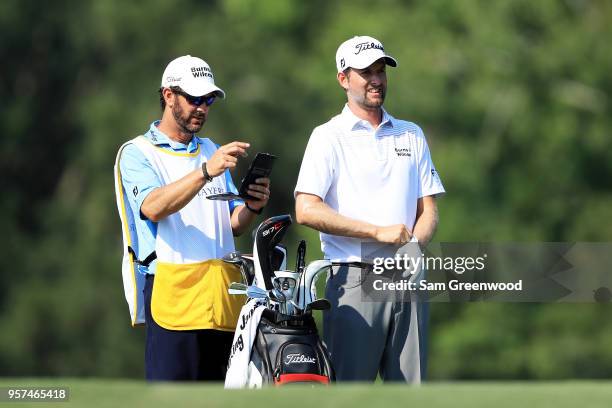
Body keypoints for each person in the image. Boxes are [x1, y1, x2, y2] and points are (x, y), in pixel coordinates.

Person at [294, 36, 445, 382]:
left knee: (410, 393)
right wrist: (376, 231)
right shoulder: (327, 136)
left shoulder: (411, 135)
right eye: (366, 73)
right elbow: (306, 209)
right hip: (353, 277)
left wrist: (413, 244)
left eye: (381, 71)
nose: (377, 80)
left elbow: (429, 209)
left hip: (407, 277)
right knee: (350, 391)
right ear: (343, 79)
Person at [114, 55, 270, 381]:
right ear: (168, 96)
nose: (202, 107)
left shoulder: (210, 148)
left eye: (208, 99)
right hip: (173, 294)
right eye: (194, 98)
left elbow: (231, 224)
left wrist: (252, 207)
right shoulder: (137, 152)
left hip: (219, 295)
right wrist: (205, 171)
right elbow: (153, 207)